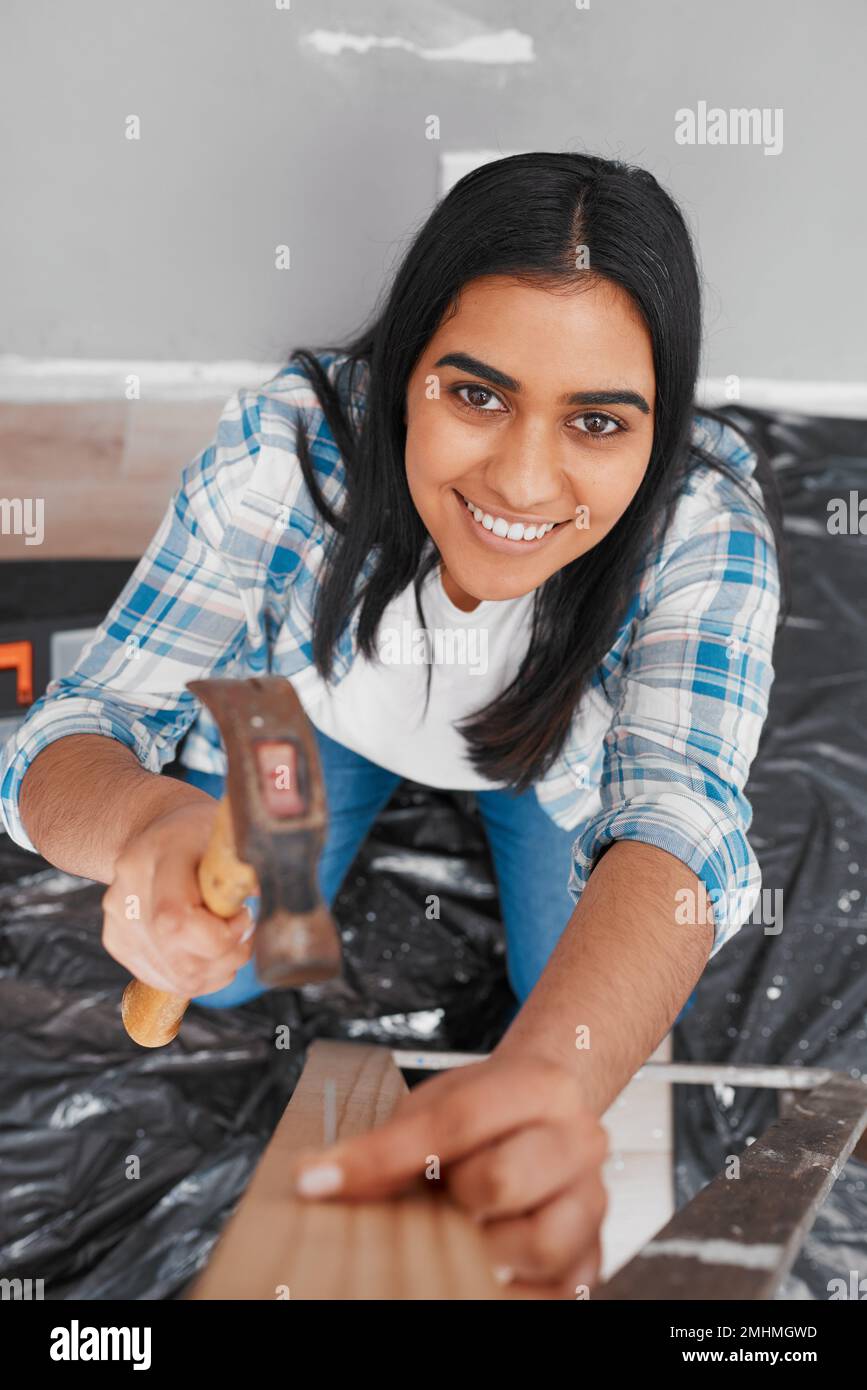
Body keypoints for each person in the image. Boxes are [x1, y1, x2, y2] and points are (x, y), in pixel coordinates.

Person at [0, 152, 785, 1295]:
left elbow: (677, 823)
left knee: (571, 997)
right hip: (304, 727)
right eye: (475, 394)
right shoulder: (286, 451)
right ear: (403, 365)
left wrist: (552, 1083)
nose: (523, 481)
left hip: (546, 769)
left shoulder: (702, 526)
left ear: (656, 434)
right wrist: (142, 825)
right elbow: (79, 725)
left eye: (599, 423)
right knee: (220, 966)